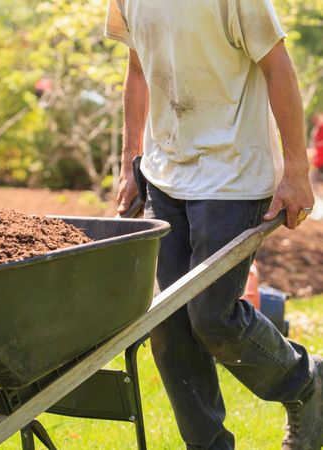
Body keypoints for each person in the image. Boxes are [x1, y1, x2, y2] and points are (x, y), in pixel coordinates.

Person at [105, 1, 321, 449]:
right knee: (168, 323)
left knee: (212, 317)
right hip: (166, 174)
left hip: (233, 174)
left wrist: (297, 171)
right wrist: (131, 164)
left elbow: (277, 66)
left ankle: (307, 383)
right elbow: (139, 72)